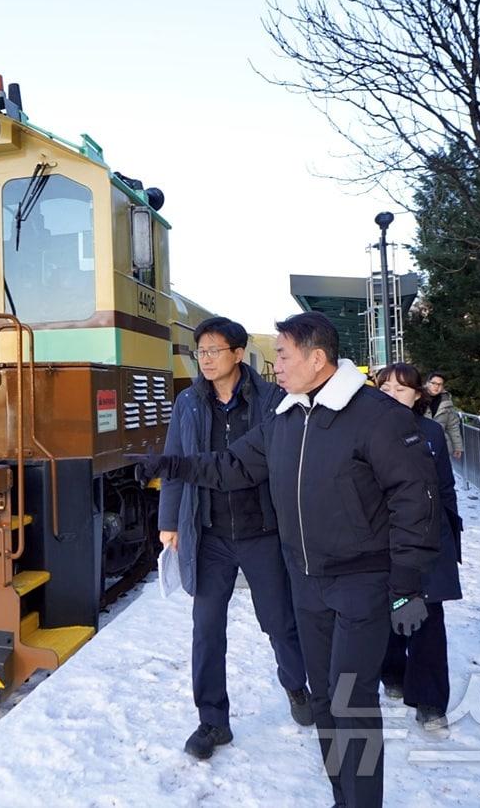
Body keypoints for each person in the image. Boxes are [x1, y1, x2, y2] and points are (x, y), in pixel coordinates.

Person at [136, 311, 439, 808]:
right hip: (306, 579)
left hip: (362, 581)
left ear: (316, 358)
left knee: (352, 701)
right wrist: (170, 464)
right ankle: (343, 796)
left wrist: (407, 583)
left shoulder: (377, 416)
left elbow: (416, 500)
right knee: (323, 697)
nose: (274, 364)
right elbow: (232, 465)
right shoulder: (286, 416)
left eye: (282, 354)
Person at [158, 316, 312, 760]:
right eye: (200, 352)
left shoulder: (272, 399)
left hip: (262, 530)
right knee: (206, 629)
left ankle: (296, 686)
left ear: (239, 354)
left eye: (214, 351)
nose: (205, 360)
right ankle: (213, 721)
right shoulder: (188, 402)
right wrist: (170, 521)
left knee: (279, 621)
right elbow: (175, 461)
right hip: (209, 534)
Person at [375, 364, 463, 732]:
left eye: (401, 388)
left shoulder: (430, 432)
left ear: (417, 395)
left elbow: (444, 487)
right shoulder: (363, 430)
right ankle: (393, 672)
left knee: (428, 616)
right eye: (385, 388)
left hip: (427, 538)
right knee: (386, 611)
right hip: (380, 538)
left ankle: (430, 701)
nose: (393, 394)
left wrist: (451, 533)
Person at [424, 372, 463, 460]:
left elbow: (453, 425)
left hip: (441, 444)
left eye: (440, 384)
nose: (436, 386)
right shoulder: (417, 398)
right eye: (433, 383)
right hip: (421, 444)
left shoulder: (446, 401)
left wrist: (457, 447)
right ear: (427, 383)